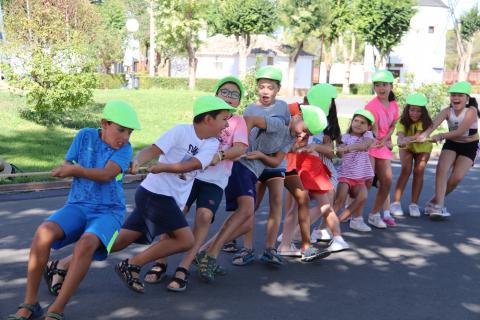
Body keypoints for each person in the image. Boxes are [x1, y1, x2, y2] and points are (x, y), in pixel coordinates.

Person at [41, 96, 235, 298]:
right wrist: (136, 161)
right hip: (155, 194)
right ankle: (132, 265)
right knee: (186, 240)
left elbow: (193, 164)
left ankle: (59, 265)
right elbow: (152, 150)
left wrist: (163, 167)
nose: (227, 124)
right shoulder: (181, 131)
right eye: (224, 119)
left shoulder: (212, 143)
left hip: (172, 198)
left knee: (118, 242)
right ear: (208, 119)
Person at [7, 101, 141, 320]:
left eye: (130, 132)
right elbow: (68, 161)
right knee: (44, 232)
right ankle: (30, 305)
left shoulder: (125, 149)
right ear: (104, 124)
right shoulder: (85, 135)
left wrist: (76, 170)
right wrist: (64, 168)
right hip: (78, 205)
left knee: (86, 243)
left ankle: (56, 311)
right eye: (121, 129)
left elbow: (106, 175)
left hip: (108, 211)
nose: (125, 137)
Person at [197, 104, 330, 282]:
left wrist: (260, 155)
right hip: (241, 166)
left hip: (252, 171)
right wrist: (241, 144)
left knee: (245, 223)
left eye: (309, 134)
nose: (304, 135)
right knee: (245, 212)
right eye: (305, 129)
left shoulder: (290, 138)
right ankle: (210, 256)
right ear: (298, 116)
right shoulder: (279, 124)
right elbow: (249, 120)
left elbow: (275, 161)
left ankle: (203, 253)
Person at [144, 77, 249, 292]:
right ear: (216, 94)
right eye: (225, 92)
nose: (229, 96)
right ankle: (160, 261)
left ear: (239, 101)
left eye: (234, 94)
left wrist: (219, 155)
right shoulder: (207, 118)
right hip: (189, 175)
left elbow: (240, 148)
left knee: (204, 216)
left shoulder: (237, 122)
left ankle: (184, 267)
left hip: (215, 179)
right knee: (176, 214)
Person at [229, 66, 292, 267]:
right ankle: (247, 248)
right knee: (250, 206)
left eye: (270, 87)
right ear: (257, 87)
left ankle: (270, 248)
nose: (265, 91)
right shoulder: (249, 109)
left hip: (274, 161)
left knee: (276, 202)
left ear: (278, 89)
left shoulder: (283, 108)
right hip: (253, 163)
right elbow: (244, 136)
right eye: (262, 86)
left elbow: (281, 132)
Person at [277, 84, 346, 254]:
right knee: (320, 203)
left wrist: (317, 147)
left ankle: (288, 241)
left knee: (303, 204)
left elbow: (330, 151)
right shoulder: (295, 112)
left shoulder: (316, 118)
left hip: (308, 163)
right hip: (303, 164)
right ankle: (332, 237)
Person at [417, 81, 479, 220]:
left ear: (467, 98)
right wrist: (424, 135)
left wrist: (440, 136)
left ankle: (433, 202)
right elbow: (433, 125)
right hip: (452, 144)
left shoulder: (471, 111)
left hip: (470, 146)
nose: (455, 98)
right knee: (441, 169)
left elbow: (460, 131)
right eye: (453, 95)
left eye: (459, 95)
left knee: (456, 178)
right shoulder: (447, 111)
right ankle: (439, 207)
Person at [365, 70, 399, 228]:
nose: (381, 88)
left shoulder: (393, 104)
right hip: (371, 145)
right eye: (377, 85)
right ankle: (354, 214)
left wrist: (386, 139)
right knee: (367, 181)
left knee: (386, 182)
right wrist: (379, 138)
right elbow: (371, 129)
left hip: (383, 146)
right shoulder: (370, 106)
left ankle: (374, 214)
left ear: (391, 86)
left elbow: (393, 125)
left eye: (384, 85)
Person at [390, 93, 433, 217]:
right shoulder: (402, 121)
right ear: (407, 109)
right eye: (412, 109)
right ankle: (396, 203)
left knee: (419, 171)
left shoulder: (424, 122)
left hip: (422, 147)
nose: (415, 113)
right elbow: (400, 135)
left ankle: (414, 204)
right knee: (406, 170)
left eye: (419, 111)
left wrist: (407, 138)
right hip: (407, 147)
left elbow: (418, 136)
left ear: (423, 112)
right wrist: (401, 140)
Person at [334, 109, 375, 232]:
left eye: (362, 123)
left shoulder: (367, 135)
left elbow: (364, 146)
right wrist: (340, 149)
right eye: (356, 120)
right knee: (339, 201)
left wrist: (348, 148)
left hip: (359, 177)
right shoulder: (344, 137)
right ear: (351, 122)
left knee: (362, 197)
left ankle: (336, 223)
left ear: (368, 127)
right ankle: (323, 227)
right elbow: (339, 155)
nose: (358, 124)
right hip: (345, 175)